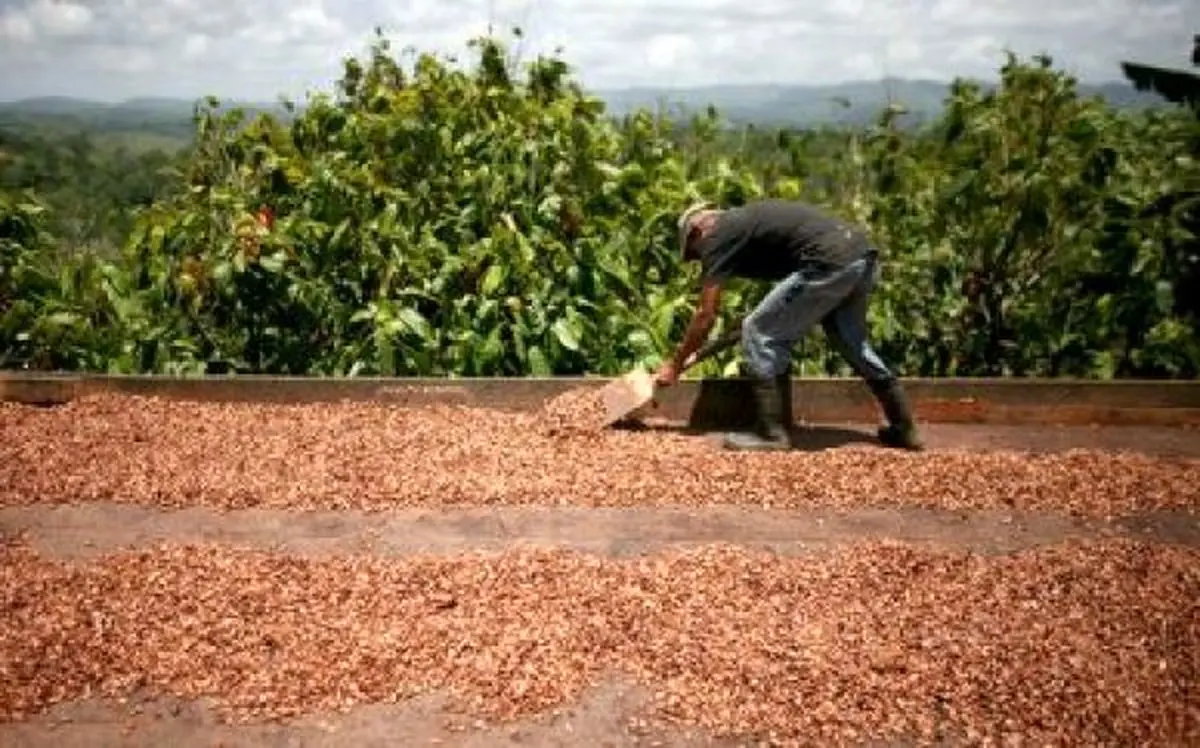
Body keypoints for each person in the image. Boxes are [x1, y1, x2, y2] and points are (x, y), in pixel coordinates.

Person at [655, 198, 923, 451]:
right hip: (859, 256)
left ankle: (770, 432)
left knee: (758, 332)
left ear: (697, 230)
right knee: (851, 343)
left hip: (827, 261)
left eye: (693, 252)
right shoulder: (745, 224)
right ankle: (904, 426)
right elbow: (788, 286)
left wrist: (675, 364)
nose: (700, 258)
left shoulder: (716, 235)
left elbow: (705, 315)